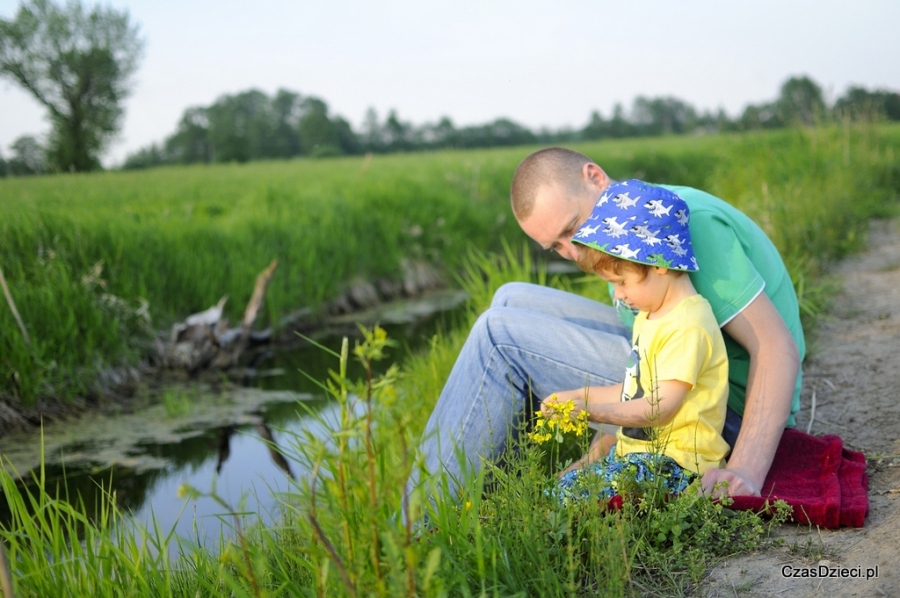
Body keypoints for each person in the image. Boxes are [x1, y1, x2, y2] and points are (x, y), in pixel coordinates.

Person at [407, 146, 804, 507]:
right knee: (511, 298)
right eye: (557, 247)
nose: (574, 253)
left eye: (572, 227)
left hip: (716, 408)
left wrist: (745, 470)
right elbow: (639, 353)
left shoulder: (679, 225)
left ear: (594, 176)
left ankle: (418, 522)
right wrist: (592, 457)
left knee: (498, 335)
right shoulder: (628, 226)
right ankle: (492, 487)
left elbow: (775, 347)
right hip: (672, 364)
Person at [543, 179, 729, 504]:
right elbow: (634, 391)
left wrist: (590, 412)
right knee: (560, 487)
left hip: (677, 464)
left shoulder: (688, 324)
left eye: (621, 281)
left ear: (658, 263)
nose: (618, 294)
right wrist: (577, 396)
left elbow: (660, 409)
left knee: (570, 498)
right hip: (638, 456)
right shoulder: (648, 315)